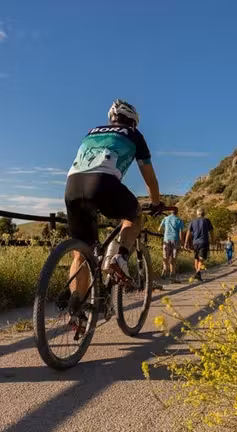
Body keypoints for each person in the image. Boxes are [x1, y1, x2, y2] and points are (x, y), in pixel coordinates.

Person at [64, 99, 162, 332]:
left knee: (81, 252)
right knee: (134, 215)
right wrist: (156, 202)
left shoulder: (91, 132)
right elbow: (150, 178)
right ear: (133, 121)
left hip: (72, 186)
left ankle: (76, 310)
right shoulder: (134, 134)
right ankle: (120, 257)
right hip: (103, 183)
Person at [184, 208, 213, 282]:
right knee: (201, 258)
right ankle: (198, 272)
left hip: (195, 242)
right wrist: (212, 240)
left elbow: (188, 232)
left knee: (196, 258)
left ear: (197, 214)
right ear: (204, 214)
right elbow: (211, 232)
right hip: (204, 241)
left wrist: (186, 242)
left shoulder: (193, 221)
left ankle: (197, 274)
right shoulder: (207, 221)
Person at [159, 207, 185, 280]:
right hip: (175, 240)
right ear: (177, 212)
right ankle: (172, 273)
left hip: (166, 240)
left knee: (165, 257)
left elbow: (159, 228)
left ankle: (164, 270)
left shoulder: (166, 218)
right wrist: (181, 242)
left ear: (170, 212)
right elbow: (180, 232)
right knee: (173, 258)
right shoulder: (179, 220)